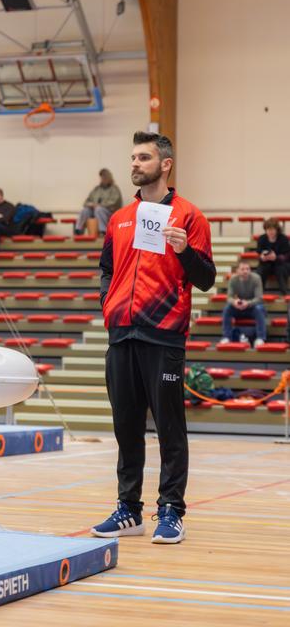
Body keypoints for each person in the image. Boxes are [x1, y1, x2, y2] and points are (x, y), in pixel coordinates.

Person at [91, 132, 216, 544]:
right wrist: (108, 303)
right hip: (121, 333)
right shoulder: (120, 218)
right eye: (132, 157)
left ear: (165, 164)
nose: (134, 163)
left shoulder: (190, 216)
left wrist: (183, 251)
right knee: (126, 427)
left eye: (143, 157)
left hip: (164, 336)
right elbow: (107, 267)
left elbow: (207, 280)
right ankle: (129, 509)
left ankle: (171, 510)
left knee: (169, 428)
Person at [220, 261, 266, 347]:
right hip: (238, 307)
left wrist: (247, 303)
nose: (245, 271)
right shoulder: (233, 279)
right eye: (242, 269)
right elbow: (229, 297)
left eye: (247, 269)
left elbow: (259, 298)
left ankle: (261, 338)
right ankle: (226, 337)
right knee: (227, 309)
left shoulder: (256, 278)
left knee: (259, 308)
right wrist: (234, 302)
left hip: (252, 307)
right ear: (237, 271)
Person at [75, 169, 122, 236]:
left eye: (105, 177)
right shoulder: (97, 189)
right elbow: (86, 202)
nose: (103, 179)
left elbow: (114, 203)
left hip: (110, 212)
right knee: (85, 210)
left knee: (99, 209)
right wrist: (90, 204)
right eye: (102, 177)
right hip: (95, 211)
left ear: (109, 177)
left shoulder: (114, 189)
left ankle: (103, 231)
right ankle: (79, 229)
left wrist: (99, 205)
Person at [256, 218, 290, 295]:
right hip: (266, 263)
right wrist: (262, 257)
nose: (270, 232)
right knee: (261, 270)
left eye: (272, 229)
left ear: (277, 230)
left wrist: (276, 258)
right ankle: (259, 293)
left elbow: (287, 256)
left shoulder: (283, 238)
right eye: (268, 229)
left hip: (281, 264)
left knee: (280, 269)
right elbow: (258, 254)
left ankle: (284, 293)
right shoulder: (262, 238)